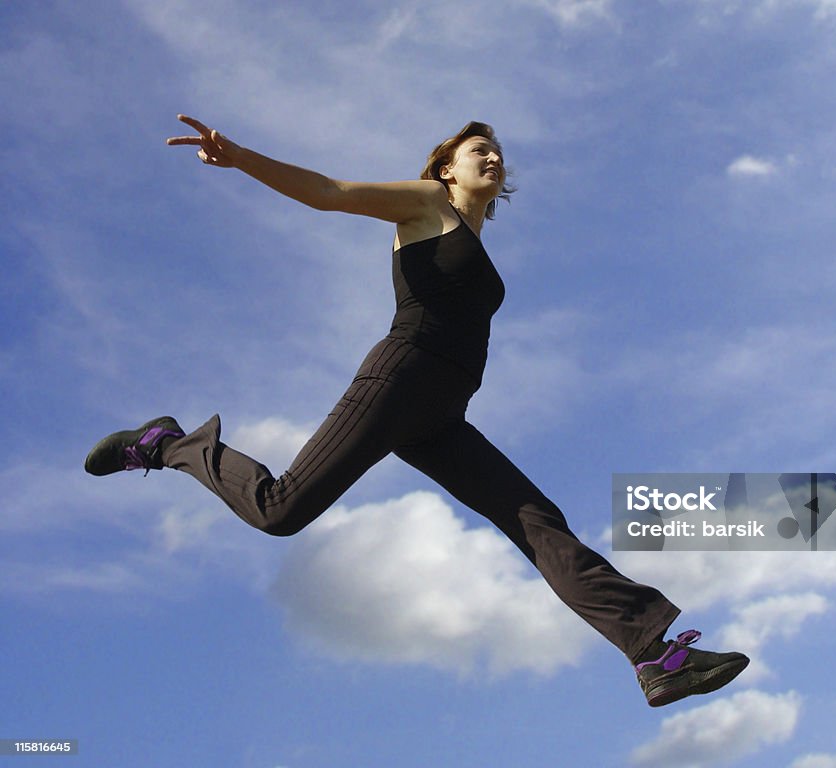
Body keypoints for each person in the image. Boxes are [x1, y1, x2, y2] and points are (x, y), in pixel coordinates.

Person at [85, 115, 748, 707]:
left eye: (497, 153)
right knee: (279, 510)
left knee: (536, 521)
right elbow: (332, 194)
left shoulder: (476, 241)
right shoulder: (427, 205)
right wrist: (242, 157)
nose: (493, 158)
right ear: (445, 168)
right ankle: (167, 443)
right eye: (478, 150)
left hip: (442, 412)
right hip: (399, 378)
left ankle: (656, 655)